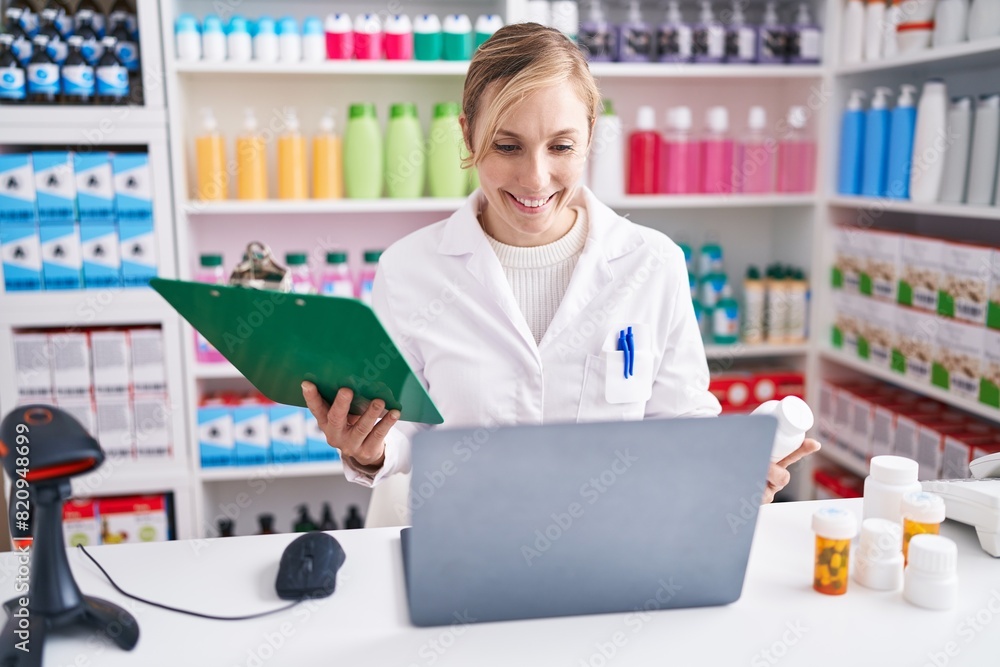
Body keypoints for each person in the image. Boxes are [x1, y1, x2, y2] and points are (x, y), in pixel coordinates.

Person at [302, 23, 820, 525]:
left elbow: (677, 424)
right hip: (462, 542)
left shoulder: (652, 262)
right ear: (467, 133)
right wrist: (369, 450)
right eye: (507, 146)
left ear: (591, 136)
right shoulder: (410, 268)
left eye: (561, 147)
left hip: (613, 541)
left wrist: (729, 473)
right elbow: (406, 427)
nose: (535, 177)